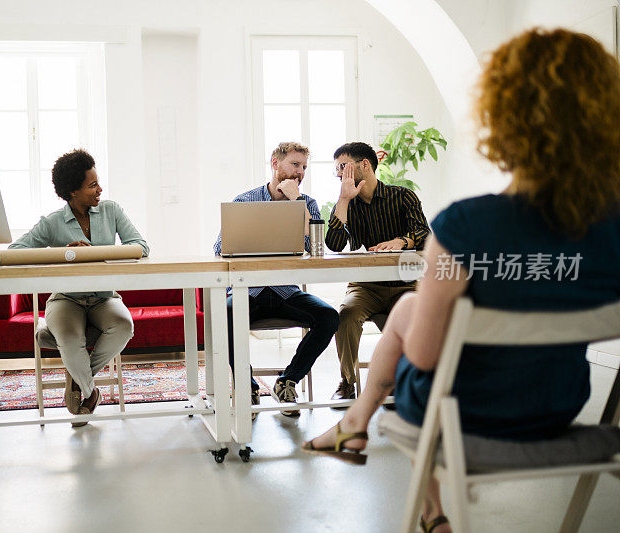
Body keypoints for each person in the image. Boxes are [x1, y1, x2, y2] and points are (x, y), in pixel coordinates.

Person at [303, 28, 620, 533]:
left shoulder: (465, 227)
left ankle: (393, 469)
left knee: (411, 327)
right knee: (407, 312)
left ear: (504, 119)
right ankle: (362, 437)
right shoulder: (612, 229)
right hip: (561, 404)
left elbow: (425, 356)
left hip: (463, 413)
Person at [10, 148, 149, 427]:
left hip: (103, 298)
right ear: (72, 192)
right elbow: (16, 252)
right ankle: (89, 391)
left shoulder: (111, 210)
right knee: (71, 340)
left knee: (124, 326)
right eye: (92, 185)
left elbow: (141, 247)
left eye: (98, 182)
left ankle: (76, 374)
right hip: (65, 300)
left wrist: (93, 253)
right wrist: (63, 255)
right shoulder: (52, 223)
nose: (100, 189)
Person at [214, 141, 340, 417]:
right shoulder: (245, 201)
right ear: (275, 163)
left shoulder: (307, 204)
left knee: (329, 316)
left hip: (287, 292)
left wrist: (297, 202)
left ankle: (287, 381)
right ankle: (246, 387)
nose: (300, 172)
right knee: (225, 313)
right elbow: (219, 248)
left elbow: (315, 247)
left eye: (304, 167)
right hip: (250, 291)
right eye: (295, 165)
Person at [325, 142, 430, 404]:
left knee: (415, 316)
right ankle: (347, 382)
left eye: (343, 167)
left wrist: (401, 241)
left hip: (405, 284)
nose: (339, 173)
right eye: (336, 169)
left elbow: (424, 234)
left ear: (365, 165)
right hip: (365, 287)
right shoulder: (346, 204)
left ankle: (401, 380)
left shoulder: (403, 196)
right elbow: (335, 244)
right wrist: (344, 199)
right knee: (346, 315)